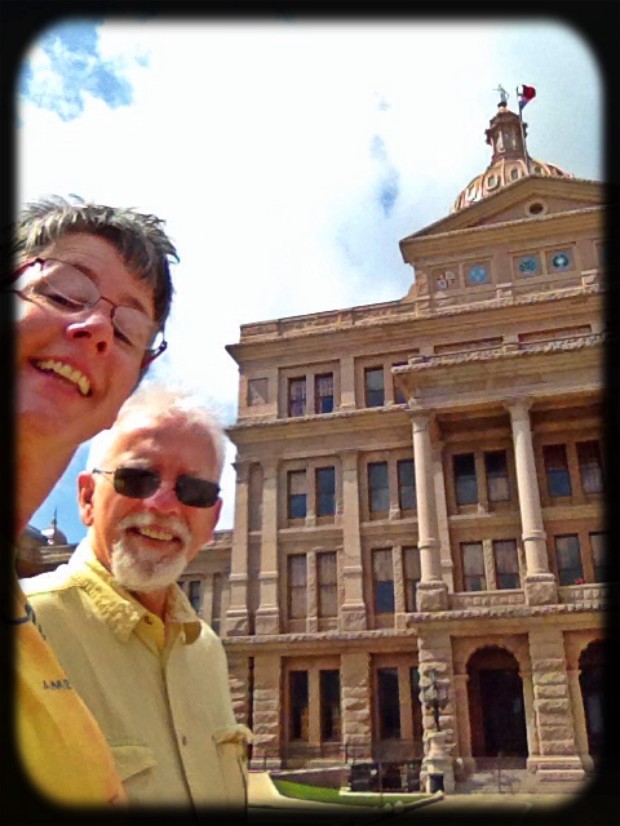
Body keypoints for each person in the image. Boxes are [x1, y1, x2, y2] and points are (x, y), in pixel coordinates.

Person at [5, 195, 178, 807]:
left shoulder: (43, 660)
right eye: (62, 293)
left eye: (129, 330)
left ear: (124, 393)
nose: (96, 328)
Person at [22, 384, 252, 810]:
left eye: (194, 491)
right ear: (88, 497)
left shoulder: (206, 650)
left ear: (211, 520)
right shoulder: (24, 631)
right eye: (138, 478)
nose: (164, 504)